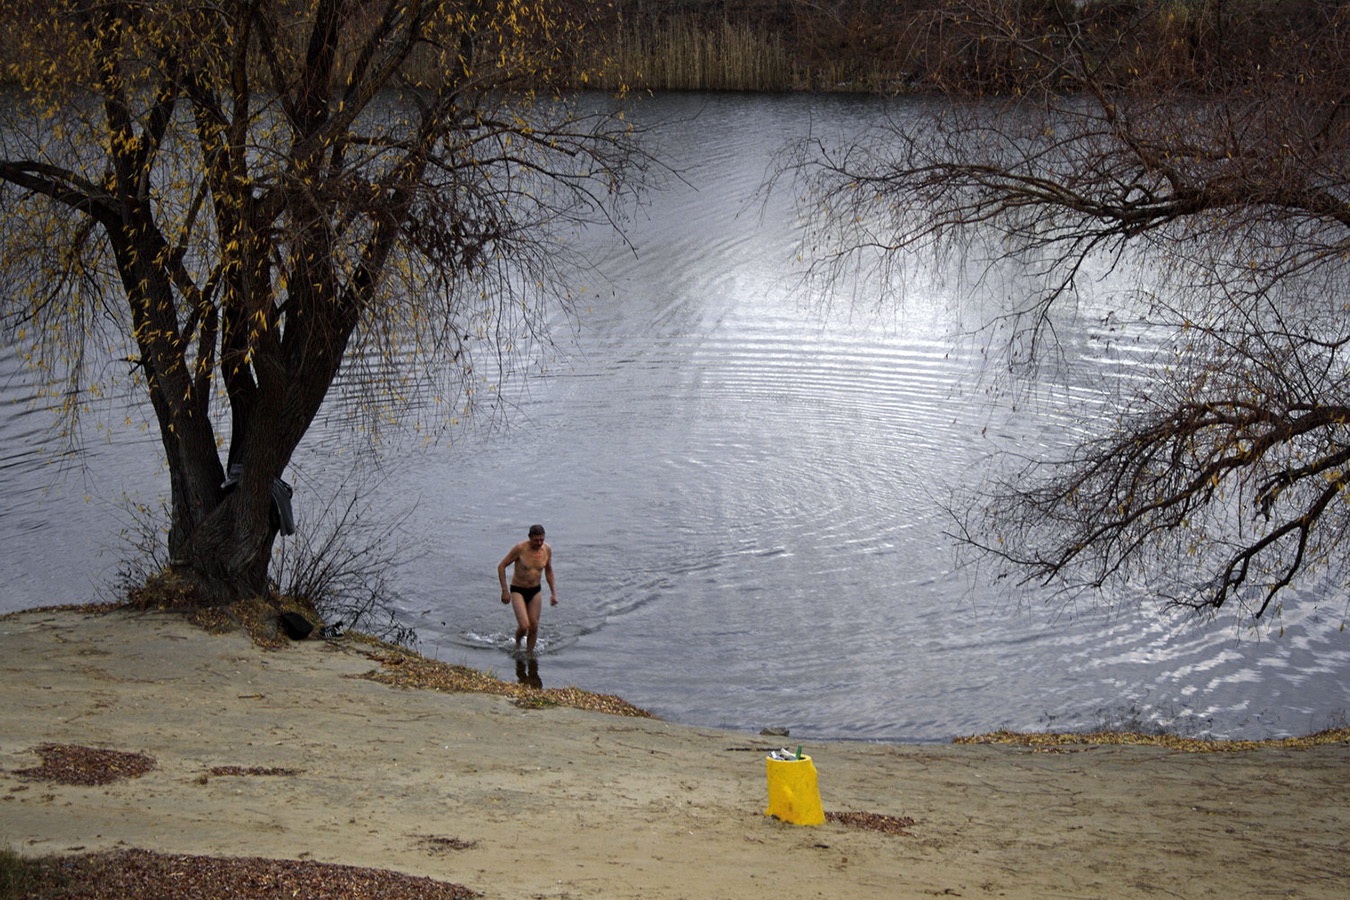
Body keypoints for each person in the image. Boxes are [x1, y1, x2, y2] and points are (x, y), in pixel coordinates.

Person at [497, 524, 556, 651]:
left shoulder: (546, 549)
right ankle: (517, 645)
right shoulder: (520, 548)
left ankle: (529, 654)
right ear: (529, 537)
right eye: (536, 540)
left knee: (534, 626)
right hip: (518, 590)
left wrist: (553, 593)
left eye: (541, 540)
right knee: (524, 626)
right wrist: (504, 591)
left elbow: (548, 570)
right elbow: (501, 566)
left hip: (535, 590)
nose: (539, 543)